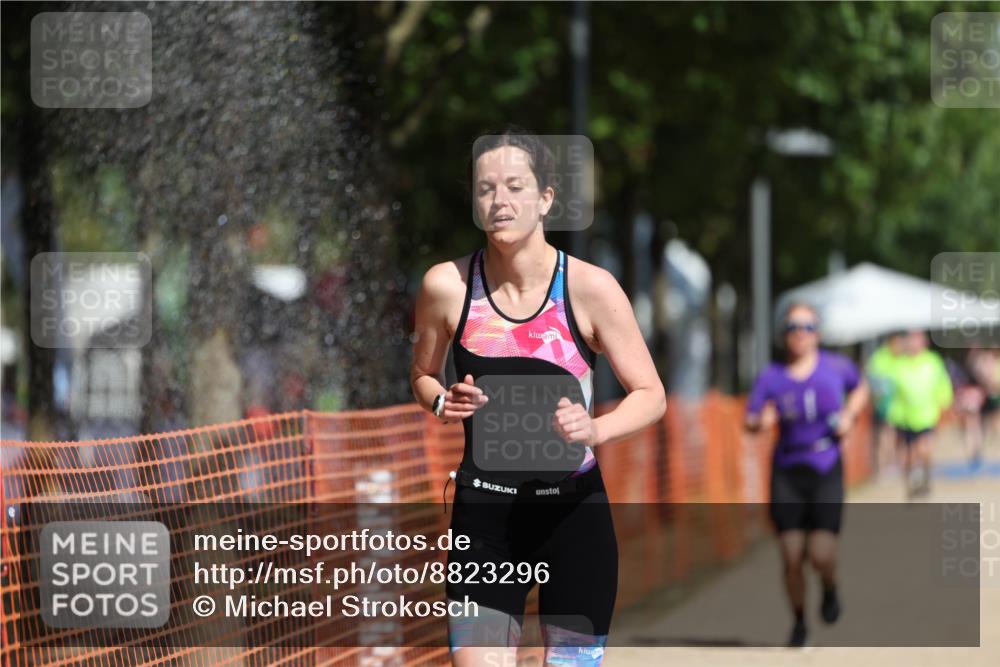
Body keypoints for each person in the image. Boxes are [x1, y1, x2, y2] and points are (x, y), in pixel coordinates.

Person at [410, 128, 666, 666]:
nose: (499, 201)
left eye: (514, 186)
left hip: (572, 517)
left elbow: (651, 394)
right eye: (485, 189)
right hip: (484, 521)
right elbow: (422, 376)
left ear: (546, 196)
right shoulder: (447, 287)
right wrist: (439, 402)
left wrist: (596, 429)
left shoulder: (590, 288)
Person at [744, 303, 868, 648]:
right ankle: (799, 621)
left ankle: (829, 587)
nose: (801, 332)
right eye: (793, 326)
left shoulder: (836, 367)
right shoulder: (771, 376)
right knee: (791, 556)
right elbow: (750, 418)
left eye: (808, 326)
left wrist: (850, 416)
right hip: (787, 470)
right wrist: (761, 421)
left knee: (822, 553)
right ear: (784, 334)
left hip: (826, 467)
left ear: (818, 333)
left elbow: (860, 389)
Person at [890, 330, 953, 498]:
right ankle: (910, 483)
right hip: (904, 416)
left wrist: (945, 403)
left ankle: (925, 476)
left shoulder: (933, 362)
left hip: (927, 414)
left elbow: (943, 384)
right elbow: (892, 389)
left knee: (925, 450)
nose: (913, 344)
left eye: (916, 340)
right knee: (908, 455)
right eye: (910, 340)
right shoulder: (899, 364)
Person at [865, 332, 905, 480]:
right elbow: (872, 379)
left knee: (895, 438)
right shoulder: (880, 357)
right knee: (884, 437)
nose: (900, 346)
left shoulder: (902, 358)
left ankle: (893, 465)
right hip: (884, 406)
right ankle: (882, 469)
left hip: (900, 408)